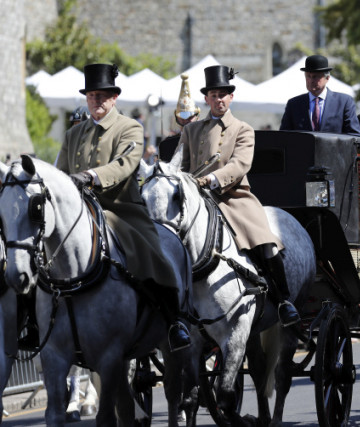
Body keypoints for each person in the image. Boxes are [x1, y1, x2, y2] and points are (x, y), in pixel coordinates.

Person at [56, 63, 191, 352]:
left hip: (119, 209)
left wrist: (91, 176)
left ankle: (173, 321)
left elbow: (124, 165)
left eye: (103, 96)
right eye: (92, 95)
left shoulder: (130, 128)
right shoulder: (73, 135)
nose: (97, 101)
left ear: (114, 97)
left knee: (154, 255)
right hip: (78, 212)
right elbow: (61, 172)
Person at [179, 65, 299, 326]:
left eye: (223, 94)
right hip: (196, 198)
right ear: (207, 99)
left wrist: (213, 179)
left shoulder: (243, 129)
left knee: (264, 242)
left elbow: (240, 164)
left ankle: (283, 300)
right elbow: (182, 165)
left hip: (233, 197)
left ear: (230, 97)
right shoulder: (191, 131)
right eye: (213, 94)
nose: (218, 99)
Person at [279, 54, 360, 135]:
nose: (311, 80)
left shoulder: (343, 102)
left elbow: (354, 136)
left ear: (327, 78)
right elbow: (283, 137)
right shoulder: (294, 104)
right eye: (308, 76)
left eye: (315, 77)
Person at [158, 73, 201, 162]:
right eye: (182, 118)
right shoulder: (167, 144)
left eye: (189, 118)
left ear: (197, 117)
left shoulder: (205, 141)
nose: (186, 121)